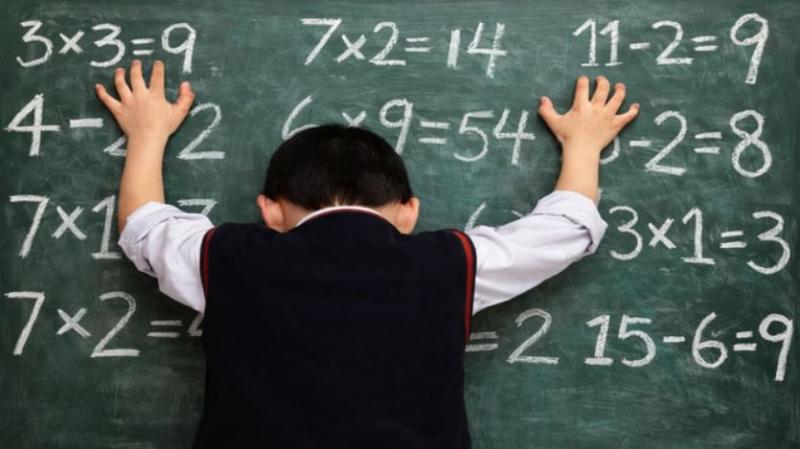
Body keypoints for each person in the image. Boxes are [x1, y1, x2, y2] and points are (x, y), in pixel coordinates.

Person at [95, 59, 638, 448]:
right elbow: (566, 228)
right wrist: (584, 144)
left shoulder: (225, 259)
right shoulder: (450, 265)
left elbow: (144, 226)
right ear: (408, 211)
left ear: (271, 210)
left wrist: (147, 134)